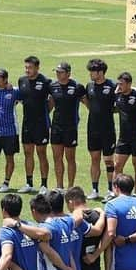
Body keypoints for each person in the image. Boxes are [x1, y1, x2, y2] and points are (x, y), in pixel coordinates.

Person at [82, 59, 116, 201]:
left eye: (92, 71)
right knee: (94, 159)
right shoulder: (89, 86)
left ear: (101, 72)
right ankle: (95, 189)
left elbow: (118, 105)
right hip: (92, 128)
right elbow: (88, 103)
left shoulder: (112, 86)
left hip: (107, 129)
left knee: (108, 160)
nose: (90, 74)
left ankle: (110, 189)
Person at [17, 55, 52, 194]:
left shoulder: (45, 81)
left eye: (30, 67)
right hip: (27, 123)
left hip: (41, 123)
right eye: (26, 67)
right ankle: (29, 183)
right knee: (27, 153)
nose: (27, 70)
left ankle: (44, 184)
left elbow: (52, 100)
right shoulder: (22, 81)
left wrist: (45, 112)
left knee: (41, 153)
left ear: (37, 68)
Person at [49, 61, 84, 189]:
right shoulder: (53, 86)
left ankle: (70, 186)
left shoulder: (77, 87)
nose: (58, 74)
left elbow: (88, 104)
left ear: (68, 73)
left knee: (70, 158)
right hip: (56, 127)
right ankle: (59, 186)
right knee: (57, 158)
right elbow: (51, 104)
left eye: (61, 72)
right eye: (57, 72)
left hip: (70, 128)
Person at [112, 72, 136, 196]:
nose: (120, 86)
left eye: (122, 84)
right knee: (117, 166)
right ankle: (117, 193)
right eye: (118, 83)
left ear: (129, 84)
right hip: (123, 138)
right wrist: (115, 93)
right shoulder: (118, 96)